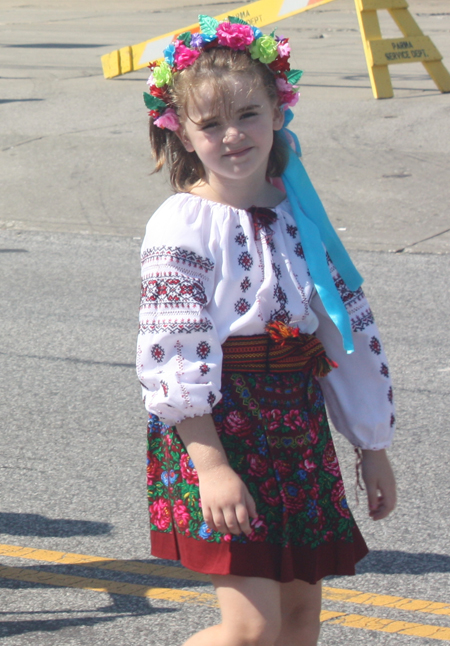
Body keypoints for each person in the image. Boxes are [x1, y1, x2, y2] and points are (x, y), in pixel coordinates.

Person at [137, 15, 396, 646]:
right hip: (220, 429)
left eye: (249, 114)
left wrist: (373, 444)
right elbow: (172, 352)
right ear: (180, 130)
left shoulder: (298, 209)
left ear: (279, 111)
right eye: (211, 123)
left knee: (301, 622)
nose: (233, 135)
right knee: (251, 629)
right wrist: (212, 467)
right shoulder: (181, 226)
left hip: (296, 428)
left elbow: (346, 329)